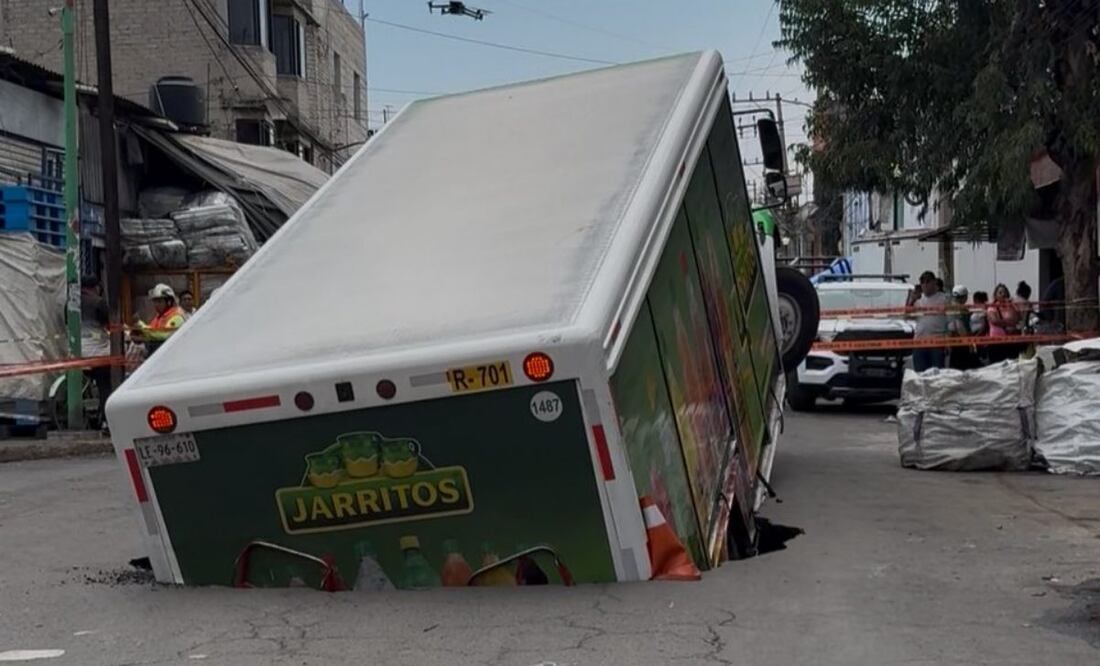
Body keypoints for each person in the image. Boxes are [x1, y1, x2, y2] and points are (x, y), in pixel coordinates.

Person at [82, 300, 112, 433]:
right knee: (105, 385)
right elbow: (108, 324)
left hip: (79, 355)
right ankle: (106, 420)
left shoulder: (72, 303)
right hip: (100, 356)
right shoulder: (99, 303)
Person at [133, 283, 186, 356]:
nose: (156, 305)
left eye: (159, 301)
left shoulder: (177, 317)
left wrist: (141, 325)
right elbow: (152, 334)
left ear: (169, 302)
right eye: (154, 302)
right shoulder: (158, 317)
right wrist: (140, 336)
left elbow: (164, 335)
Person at [912, 271, 948, 372]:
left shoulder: (944, 299)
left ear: (934, 282)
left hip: (937, 342)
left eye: (928, 281)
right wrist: (912, 299)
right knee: (920, 373)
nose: (925, 284)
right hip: (919, 341)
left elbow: (950, 320)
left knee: (936, 375)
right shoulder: (918, 300)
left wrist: (948, 341)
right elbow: (907, 315)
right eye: (923, 282)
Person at [987, 283, 1021, 363]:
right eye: (1000, 292)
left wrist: (1013, 305)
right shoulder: (992, 308)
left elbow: (1017, 319)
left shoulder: (1011, 307)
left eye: (1005, 292)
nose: (1003, 294)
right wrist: (1009, 323)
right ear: (995, 295)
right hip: (996, 342)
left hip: (1010, 341)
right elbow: (994, 321)